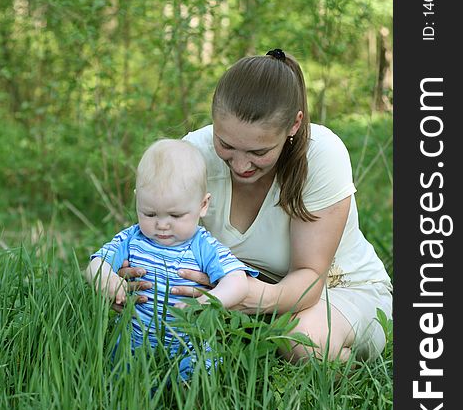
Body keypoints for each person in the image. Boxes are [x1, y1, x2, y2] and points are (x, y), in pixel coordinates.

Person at [119, 49, 393, 363]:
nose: (239, 164)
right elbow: (158, 237)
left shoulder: (321, 156)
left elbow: (309, 280)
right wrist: (135, 277)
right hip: (237, 292)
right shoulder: (193, 155)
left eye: (258, 151)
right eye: (226, 144)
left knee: (300, 341)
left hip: (337, 290)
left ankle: (348, 378)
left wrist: (238, 294)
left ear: (293, 125)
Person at [86, 138, 258, 377]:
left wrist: (207, 302)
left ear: (203, 205)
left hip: (189, 342)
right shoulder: (131, 238)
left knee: (202, 365)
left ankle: (190, 400)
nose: (162, 225)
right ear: (138, 200)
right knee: (119, 369)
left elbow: (237, 281)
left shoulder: (203, 245)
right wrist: (105, 277)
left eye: (176, 215)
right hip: (135, 341)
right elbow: (96, 263)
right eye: (150, 213)